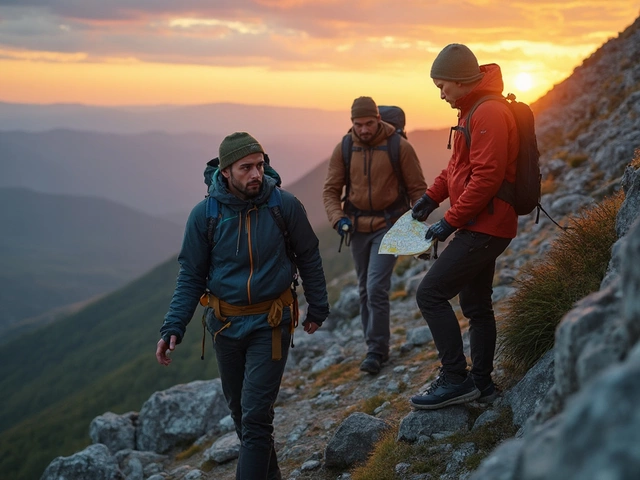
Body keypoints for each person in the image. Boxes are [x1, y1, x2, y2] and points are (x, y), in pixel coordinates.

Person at [156, 132, 329, 480]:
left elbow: (309, 255)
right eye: (246, 167)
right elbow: (191, 275)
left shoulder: (284, 205)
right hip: (225, 326)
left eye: (260, 165)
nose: (256, 174)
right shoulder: (205, 215)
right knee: (241, 415)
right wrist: (173, 325)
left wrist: (318, 307)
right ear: (225, 172)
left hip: (272, 323)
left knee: (254, 417)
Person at [409, 44, 518, 410]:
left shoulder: (487, 113)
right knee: (476, 305)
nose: (441, 94)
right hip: (483, 223)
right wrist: (430, 198)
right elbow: (456, 169)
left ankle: (455, 379)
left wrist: (449, 222)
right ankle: (482, 386)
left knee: (430, 294)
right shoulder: (472, 110)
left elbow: (487, 178)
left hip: (485, 226)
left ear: (459, 80)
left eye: (443, 86)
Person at [323, 96, 427, 375]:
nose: (364, 129)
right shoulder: (345, 147)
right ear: (352, 123)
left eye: (369, 123)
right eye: (358, 124)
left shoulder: (399, 147)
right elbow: (331, 190)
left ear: (378, 119)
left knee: (375, 287)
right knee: (363, 289)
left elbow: (418, 190)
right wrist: (338, 218)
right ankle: (374, 345)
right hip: (356, 228)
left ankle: (376, 350)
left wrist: (414, 229)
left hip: (388, 226)